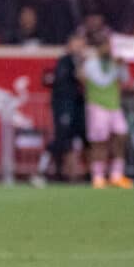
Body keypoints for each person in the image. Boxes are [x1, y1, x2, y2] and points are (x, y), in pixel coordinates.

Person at [31, 32, 86, 187]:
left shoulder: (78, 60)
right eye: (77, 42)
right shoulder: (64, 61)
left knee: (71, 140)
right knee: (60, 139)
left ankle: (68, 173)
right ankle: (40, 172)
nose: (80, 46)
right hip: (63, 106)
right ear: (70, 44)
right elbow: (69, 81)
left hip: (74, 106)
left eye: (82, 43)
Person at [81, 32, 134, 189]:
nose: (110, 49)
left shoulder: (116, 63)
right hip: (97, 106)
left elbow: (125, 79)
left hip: (114, 106)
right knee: (99, 141)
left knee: (121, 136)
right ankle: (98, 176)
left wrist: (122, 66)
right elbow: (97, 81)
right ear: (100, 47)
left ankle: (116, 174)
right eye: (108, 46)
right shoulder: (91, 63)